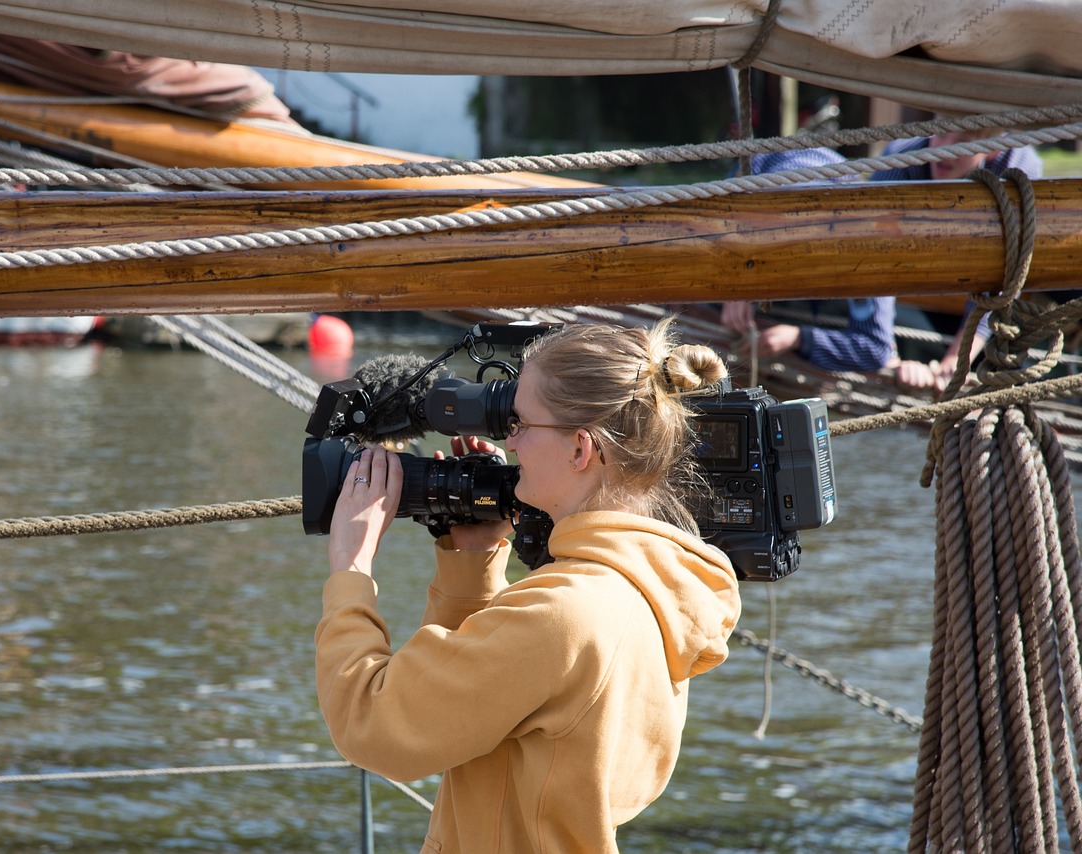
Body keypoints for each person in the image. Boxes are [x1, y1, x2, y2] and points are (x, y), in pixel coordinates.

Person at [315, 320, 742, 852]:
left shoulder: (563, 613)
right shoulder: (654, 591)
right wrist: (471, 563)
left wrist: (351, 566)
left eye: (520, 423)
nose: (508, 440)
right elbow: (471, 719)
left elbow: (373, 725)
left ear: (579, 449)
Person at [876, 130, 1045, 394]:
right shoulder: (901, 159)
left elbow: (1002, 279)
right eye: (940, 135)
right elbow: (874, 259)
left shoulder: (1018, 172)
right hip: (919, 298)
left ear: (992, 150)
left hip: (985, 310)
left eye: (963, 143)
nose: (945, 150)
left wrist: (956, 362)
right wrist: (887, 354)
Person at [720, 148, 899, 373]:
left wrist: (799, 338)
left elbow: (875, 349)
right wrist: (735, 278)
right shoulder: (741, 197)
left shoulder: (864, 248)